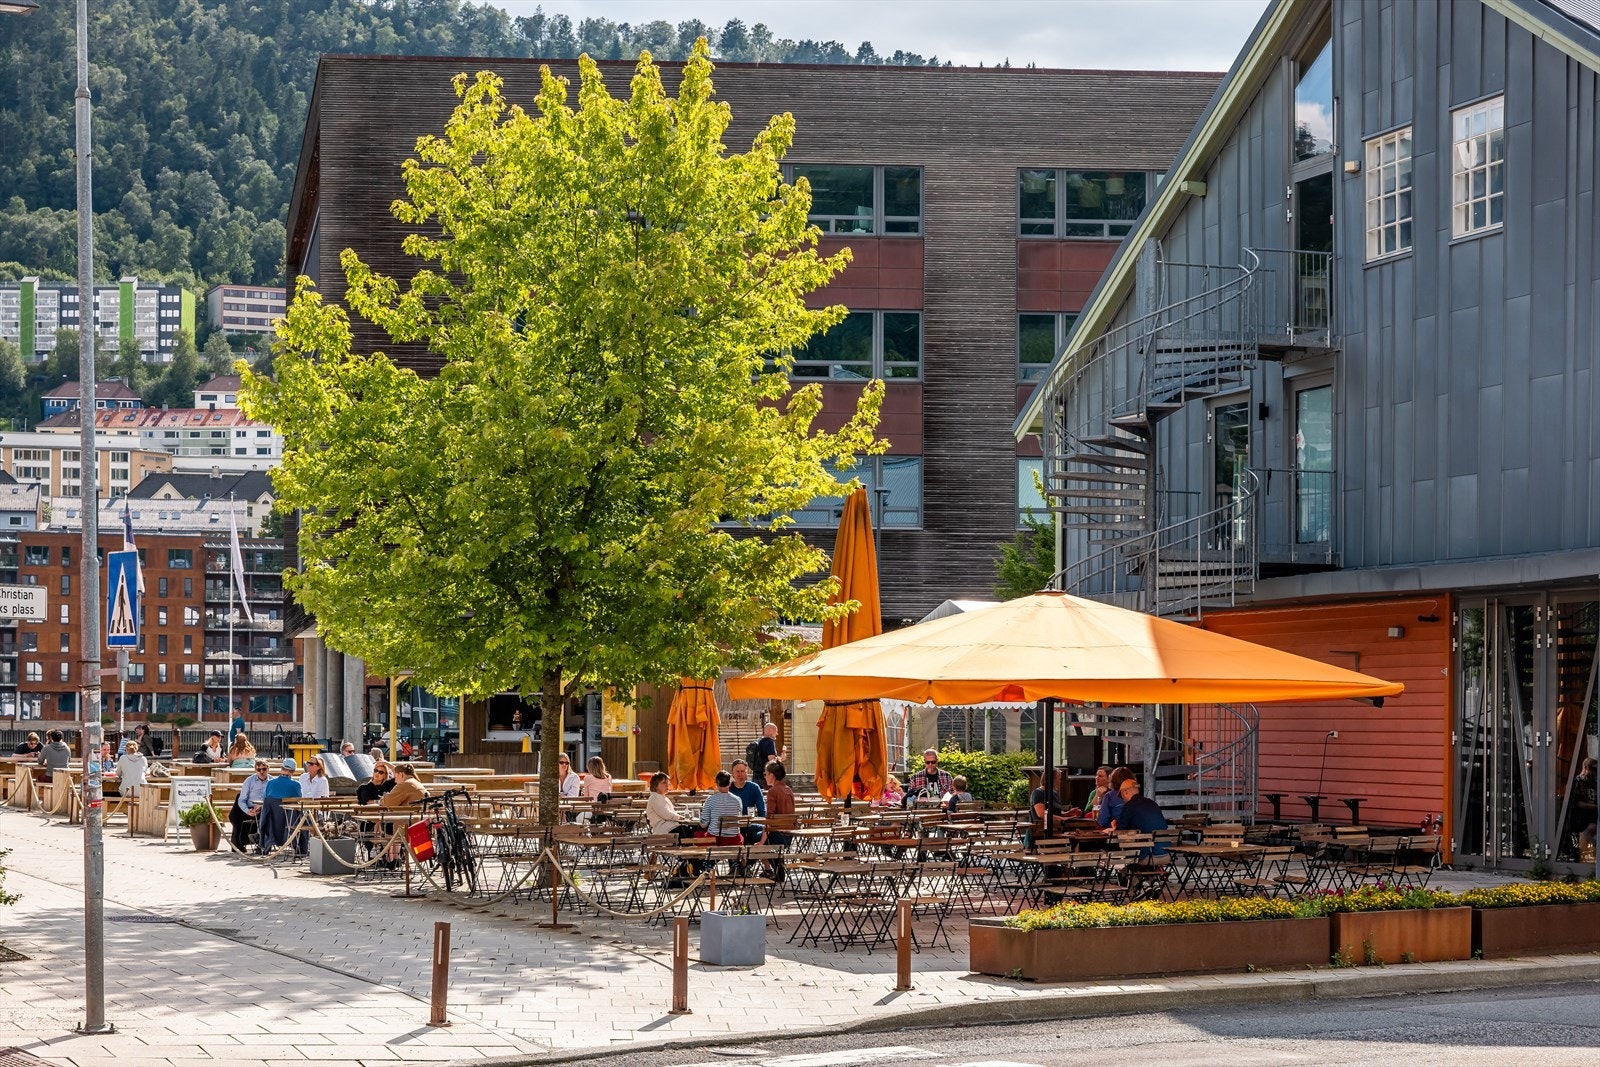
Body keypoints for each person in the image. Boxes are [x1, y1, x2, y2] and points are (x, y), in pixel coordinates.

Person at [258, 758, 303, 854]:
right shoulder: (296, 785)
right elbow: (299, 800)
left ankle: (267, 844)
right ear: (293, 771)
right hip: (289, 823)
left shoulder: (270, 783)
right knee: (303, 816)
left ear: (281, 768)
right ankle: (299, 846)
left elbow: (265, 800)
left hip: (272, 824)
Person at [1115, 776, 1169, 850]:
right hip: (1165, 852)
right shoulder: (1152, 803)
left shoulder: (1129, 806)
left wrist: (1114, 826)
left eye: (1121, 795)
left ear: (1125, 792)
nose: (1122, 799)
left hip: (1145, 855)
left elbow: (1120, 831)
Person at [231, 759, 271, 853]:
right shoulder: (249, 781)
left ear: (268, 769)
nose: (261, 771)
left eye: (264, 769)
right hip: (249, 807)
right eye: (259, 769)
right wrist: (247, 811)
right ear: (255, 770)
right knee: (236, 814)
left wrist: (262, 806)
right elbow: (241, 800)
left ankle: (262, 843)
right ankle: (239, 843)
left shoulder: (272, 781)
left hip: (265, 808)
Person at [698, 770, 745, 846]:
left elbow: (704, 824)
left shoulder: (710, 800)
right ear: (729, 784)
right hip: (733, 840)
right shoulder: (738, 800)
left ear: (717, 784)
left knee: (697, 834)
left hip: (715, 840)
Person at [646, 772, 695, 839]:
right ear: (655, 785)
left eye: (667, 783)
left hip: (671, 827)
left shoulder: (663, 797)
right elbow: (666, 814)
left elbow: (671, 814)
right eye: (664, 783)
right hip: (664, 830)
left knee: (694, 829)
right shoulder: (655, 798)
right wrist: (681, 818)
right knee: (691, 831)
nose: (667, 785)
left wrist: (683, 817)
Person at [728, 759, 766, 844]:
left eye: (742, 771)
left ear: (746, 773)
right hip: (733, 825)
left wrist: (761, 822)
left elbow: (762, 809)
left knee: (764, 832)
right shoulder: (728, 788)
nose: (740, 774)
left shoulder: (754, 787)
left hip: (751, 824)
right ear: (732, 773)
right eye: (737, 771)